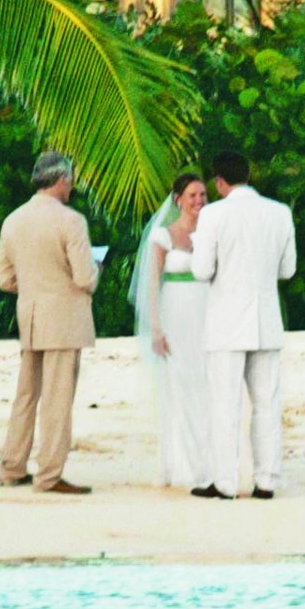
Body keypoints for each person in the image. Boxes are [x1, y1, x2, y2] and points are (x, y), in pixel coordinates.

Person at [190, 150, 297, 499]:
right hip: (266, 320)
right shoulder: (280, 213)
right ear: (248, 175)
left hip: (226, 322)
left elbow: (202, 270)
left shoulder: (213, 215)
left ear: (220, 181)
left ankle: (224, 483)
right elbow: (287, 271)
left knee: (225, 404)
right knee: (267, 403)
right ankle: (266, 481)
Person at [0, 152, 98, 494]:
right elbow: (85, 276)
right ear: (61, 180)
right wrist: (94, 272)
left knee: (26, 395)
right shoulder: (71, 221)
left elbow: (4, 279)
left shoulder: (13, 220)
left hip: (31, 315)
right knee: (57, 399)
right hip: (64, 318)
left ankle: (12, 466)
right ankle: (49, 474)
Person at [131, 173, 211, 488]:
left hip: (207, 312)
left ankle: (209, 463)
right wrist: (156, 328)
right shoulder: (163, 236)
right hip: (175, 313)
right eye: (192, 195)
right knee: (179, 384)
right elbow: (152, 284)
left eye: (203, 195)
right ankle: (181, 465)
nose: (198, 201)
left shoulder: (211, 232)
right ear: (178, 200)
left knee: (208, 384)